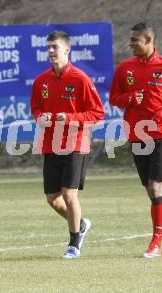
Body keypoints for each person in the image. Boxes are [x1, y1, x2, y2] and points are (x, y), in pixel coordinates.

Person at [109, 22, 162, 258]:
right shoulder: (125, 68)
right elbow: (115, 98)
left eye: (135, 40)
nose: (130, 43)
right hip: (137, 133)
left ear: (149, 40)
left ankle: (156, 243)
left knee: (157, 188)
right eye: (131, 39)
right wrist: (131, 98)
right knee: (151, 191)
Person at [30, 31, 105, 259]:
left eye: (55, 47)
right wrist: (40, 117)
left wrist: (71, 118)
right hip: (50, 143)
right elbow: (36, 108)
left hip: (75, 142)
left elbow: (97, 112)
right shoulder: (41, 80)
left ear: (67, 50)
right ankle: (80, 224)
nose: (51, 51)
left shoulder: (81, 78)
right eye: (49, 47)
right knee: (53, 198)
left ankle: (74, 244)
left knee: (69, 195)